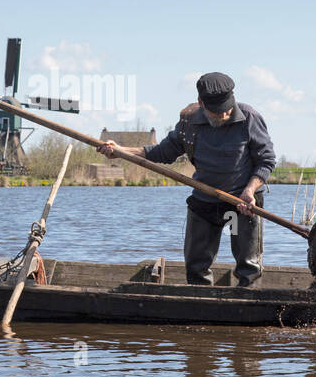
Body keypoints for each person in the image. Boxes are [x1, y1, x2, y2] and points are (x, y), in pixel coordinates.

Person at [98, 72, 276, 286]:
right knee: (196, 266)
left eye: (227, 107)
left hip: (240, 206)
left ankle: (247, 308)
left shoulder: (249, 118)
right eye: (218, 111)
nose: (225, 113)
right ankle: (201, 307)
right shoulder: (189, 123)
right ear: (201, 103)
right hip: (206, 206)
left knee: (248, 266)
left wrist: (250, 190)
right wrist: (120, 151)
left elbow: (266, 161)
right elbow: (161, 152)